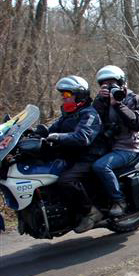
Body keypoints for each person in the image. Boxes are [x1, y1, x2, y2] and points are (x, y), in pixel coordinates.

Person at [47, 76, 106, 233]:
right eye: (62, 95)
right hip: (73, 155)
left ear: (79, 95)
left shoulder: (89, 114)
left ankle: (91, 212)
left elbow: (83, 137)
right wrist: (36, 132)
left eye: (66, 94)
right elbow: (53, 128)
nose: (63, 98)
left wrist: (59, 137)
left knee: (66, 181)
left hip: (89, 156)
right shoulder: (68, 113)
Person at [91, 65, 139, 217]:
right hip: (107, 147)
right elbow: (92, 122)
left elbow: (138, 124)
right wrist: (99, 101)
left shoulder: (135, 99)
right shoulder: (102, 101)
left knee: (101, 167)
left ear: (122, 82)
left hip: (128, 148)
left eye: (112, 83)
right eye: (105, 84)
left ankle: (119, 201)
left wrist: (118, 104)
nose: (109, 87)